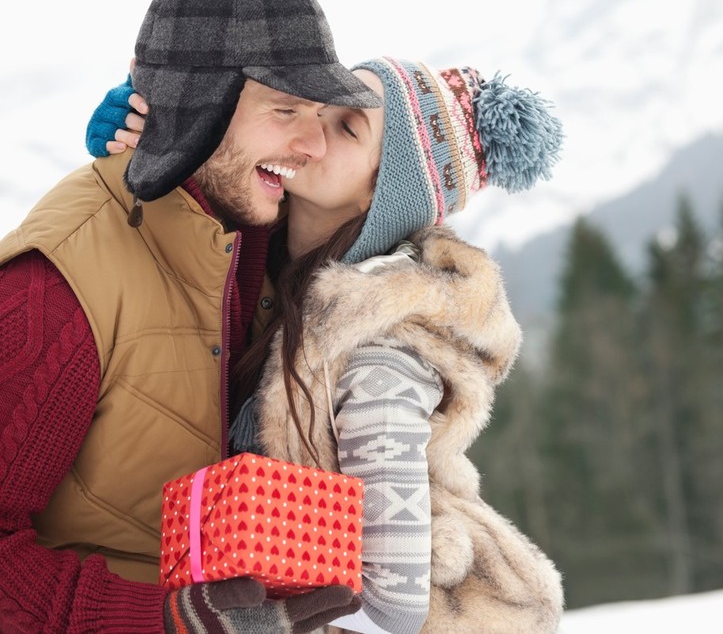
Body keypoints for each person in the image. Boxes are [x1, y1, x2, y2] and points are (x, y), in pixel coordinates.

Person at [88, 56, 567, 633]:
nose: (310, 131)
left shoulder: (378, 360)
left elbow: (394, 606)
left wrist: (258, 620)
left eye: (347, 127)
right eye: (316, 106)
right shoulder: (267, 271)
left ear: (385, 192)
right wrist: (149, 145)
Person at [0, 0, 380, 631]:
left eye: (320, 117)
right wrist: (173, 623)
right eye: (287, 110)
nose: (314, 146)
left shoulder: (248, 244)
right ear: (199, 103)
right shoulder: (58, 290)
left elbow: (390, 174)